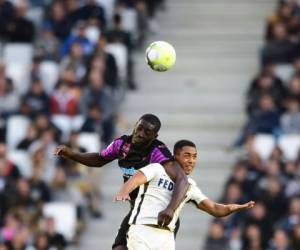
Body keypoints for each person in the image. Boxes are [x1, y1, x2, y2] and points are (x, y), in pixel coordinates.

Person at [54, 113, 188, 250]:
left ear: (154, 137)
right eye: (139, 128)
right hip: (137, 211)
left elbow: (182, 180)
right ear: (135, 126)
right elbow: (99, 159)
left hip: (159, 214)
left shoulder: (157, 152)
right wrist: (71, 154)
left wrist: (171, 209)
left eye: (147, 132)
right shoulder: (121, 144)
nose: (140, 134)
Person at [114, 140, 255, 250]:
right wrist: (124, 191)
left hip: (166, 237)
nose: (191, 160)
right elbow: (137, 178)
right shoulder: (157, 169)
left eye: (194, 157)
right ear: (175, 157)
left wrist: (233, 208)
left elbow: (214, 208)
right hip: (143, 230)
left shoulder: (190, 186)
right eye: (187, 156)